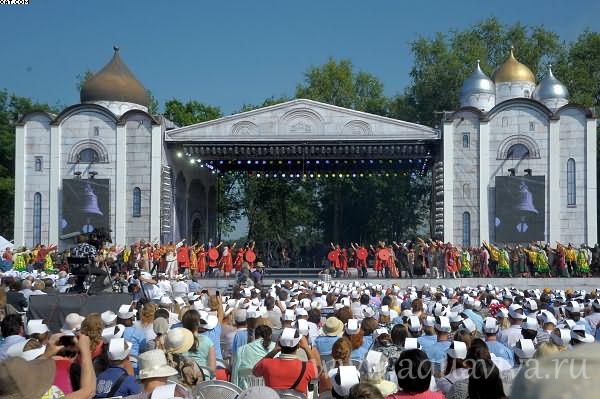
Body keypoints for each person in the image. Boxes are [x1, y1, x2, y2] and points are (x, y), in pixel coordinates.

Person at [253, 328, 318, 396]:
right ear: (298, 346)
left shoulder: (266, 363)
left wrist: (274, 350)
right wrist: (306, 347)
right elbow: (315, 372)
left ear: (279, 344)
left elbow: (255, 371)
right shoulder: (306, 367)